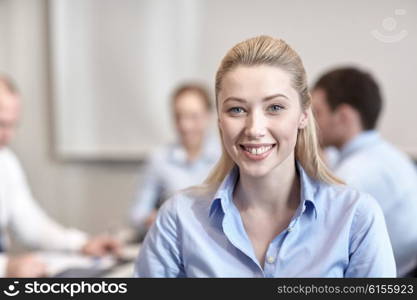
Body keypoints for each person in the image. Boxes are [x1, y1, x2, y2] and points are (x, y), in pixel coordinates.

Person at [134, 36, 396, 277]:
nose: (254, 129)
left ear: (304, 114)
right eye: (236, 109)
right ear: (219, 120)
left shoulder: (356, 217)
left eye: (275, 108)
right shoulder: (179, 218)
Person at [0, 75, 122, 277]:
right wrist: (6, 267)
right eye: (2, 124)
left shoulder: (6, 161)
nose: (8, 136)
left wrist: (82, 244)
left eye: (13, 125)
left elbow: (32, 224)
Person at [312, 67, 417, 277]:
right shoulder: (381, 154)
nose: (309, 123)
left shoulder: (357, 174)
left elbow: (316, 243)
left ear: (343, 116)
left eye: (317, 113)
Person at [130, 84, 219, 238]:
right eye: (178, 117)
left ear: (208, 116)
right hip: (172, 240)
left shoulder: (226, 157)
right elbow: (137, 213)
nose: (185, 125)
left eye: (193, 116)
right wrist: (149, 219)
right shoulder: (159, 158)